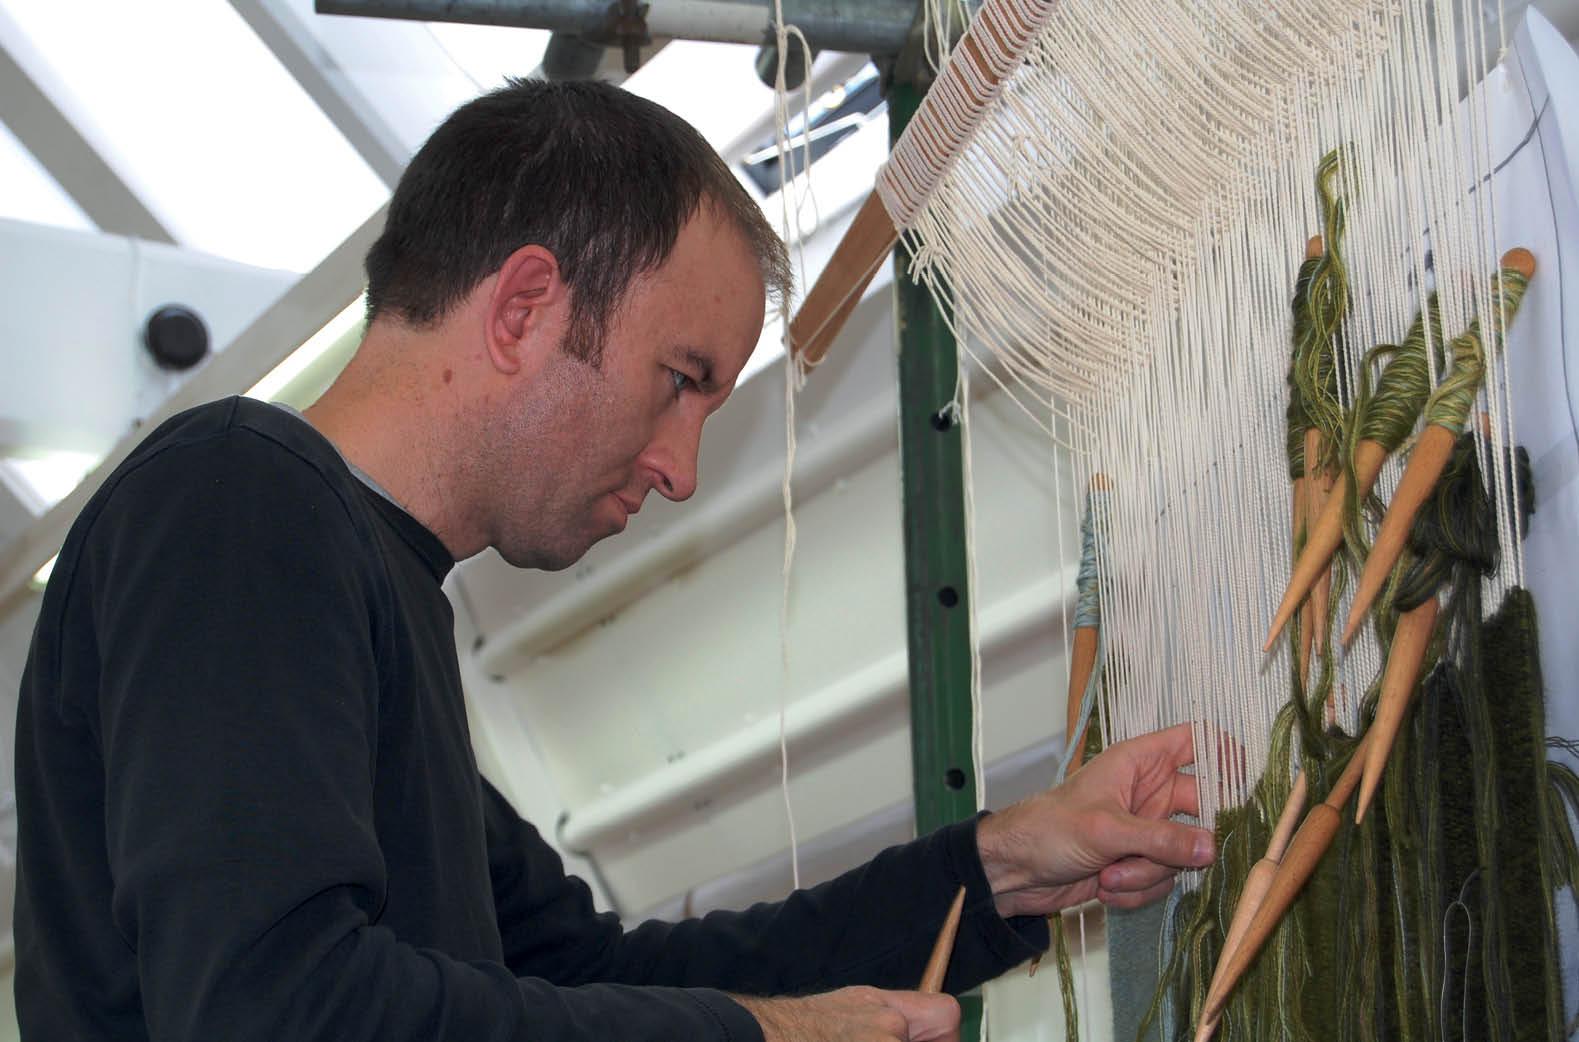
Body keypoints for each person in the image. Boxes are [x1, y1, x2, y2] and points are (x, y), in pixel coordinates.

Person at [13, 78, 1212, 1041]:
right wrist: (767, 1034)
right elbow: (270, 1007)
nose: (682, 469)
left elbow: (591, 976)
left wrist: (997, 866)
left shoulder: (379, 594)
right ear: (525, 305)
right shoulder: (238, 503)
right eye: (681, 380)